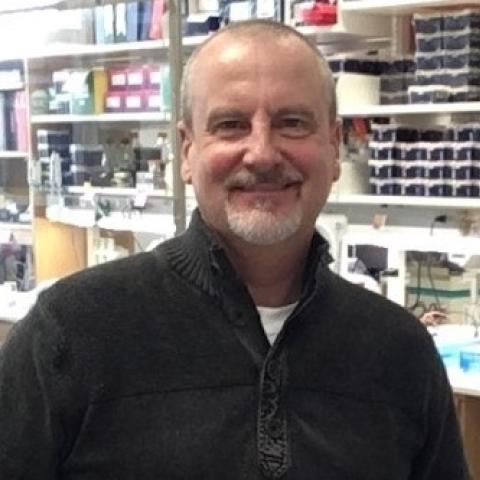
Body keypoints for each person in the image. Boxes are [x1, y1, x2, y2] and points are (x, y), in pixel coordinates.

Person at [0, 20, 469, 479]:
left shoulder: (399, 351)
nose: (262, 153)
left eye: (292, 123)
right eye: (230, 125)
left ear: (334, 146)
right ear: (186, 151)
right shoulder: (72, 330)